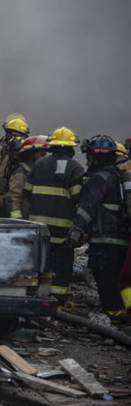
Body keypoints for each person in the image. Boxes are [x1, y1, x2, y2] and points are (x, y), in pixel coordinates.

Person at [67, 135, 128, 321]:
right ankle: (124, 312)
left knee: (106, 280)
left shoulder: (100, 178)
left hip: (104, 240)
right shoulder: (119, 176)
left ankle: (114, 315)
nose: (87, 161)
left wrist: (75, 232)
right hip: (122, 240)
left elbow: (87, 208)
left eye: (90, 156)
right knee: (120, 279)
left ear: (97, 157)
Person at [24, 126, 84, 306]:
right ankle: (57, 301)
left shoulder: (38, 166)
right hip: (63, 231)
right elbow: (79, 199)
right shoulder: (75, 168)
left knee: (41, 265)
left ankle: (37, 295)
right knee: (62, 267)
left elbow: (27, 194)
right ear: (71, 148)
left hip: (39, 230)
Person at [0, 116, 30, 217]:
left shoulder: (20, 157)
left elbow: (16, 192)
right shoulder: (3, 153)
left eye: (8, 134)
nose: (6, 138)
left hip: (9, 209)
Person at [6, 135, 48, 220]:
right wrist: (18, 221)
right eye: (42, 155)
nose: (45, 158)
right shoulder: (21, 174)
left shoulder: (39, 172)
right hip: (26, 222)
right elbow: (14, 198)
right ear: (31, 155)